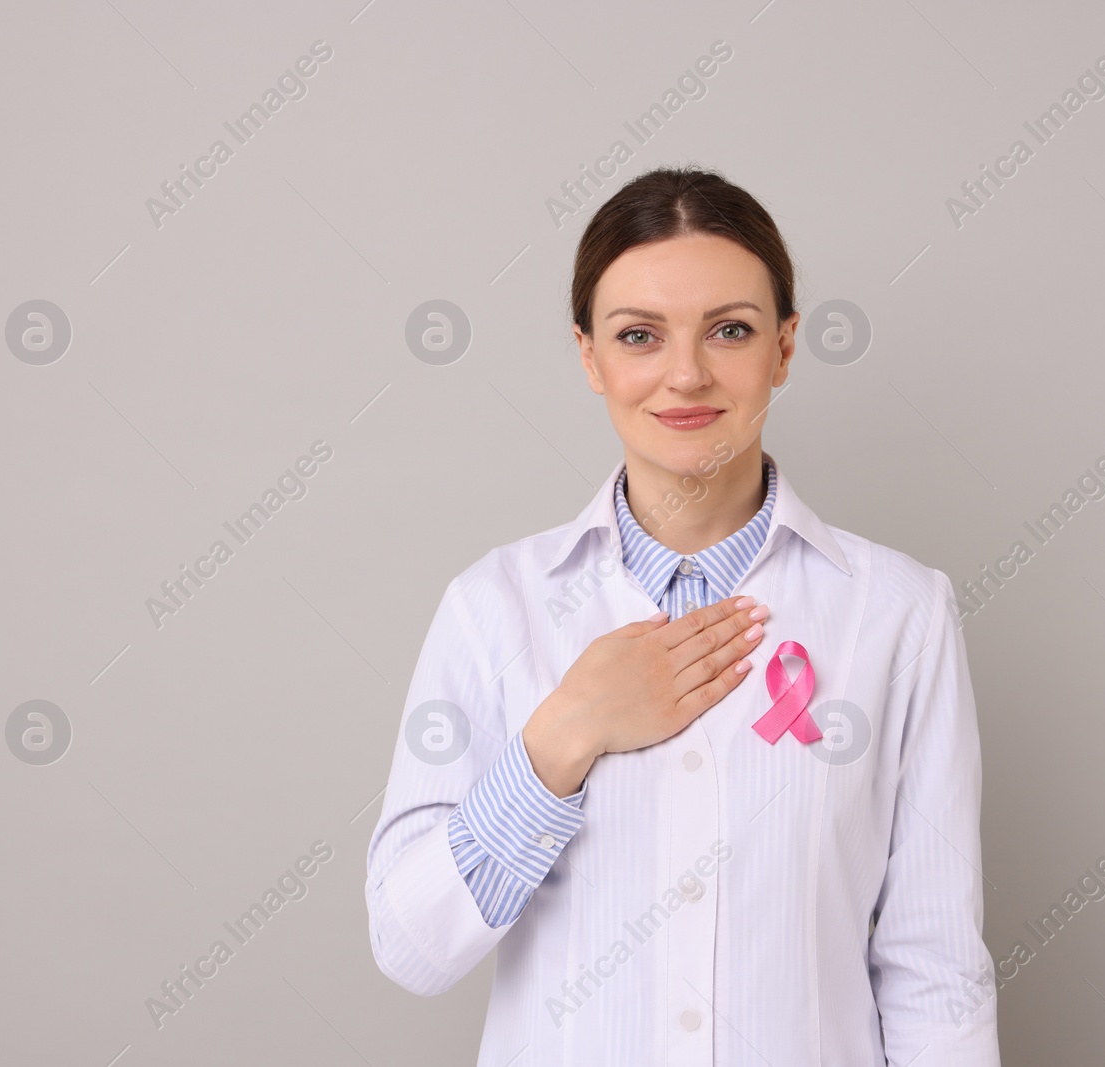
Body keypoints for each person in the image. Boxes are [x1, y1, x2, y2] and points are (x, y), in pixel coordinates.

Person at [366, 166, 1001, 1066]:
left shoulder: (901, 613)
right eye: (639, 335)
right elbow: (412, 946)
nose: (686, 374)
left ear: (783, 348)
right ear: (590, 356)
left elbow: (935, 971)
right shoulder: (492, 609)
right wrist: (562, 738)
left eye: (730, 331)